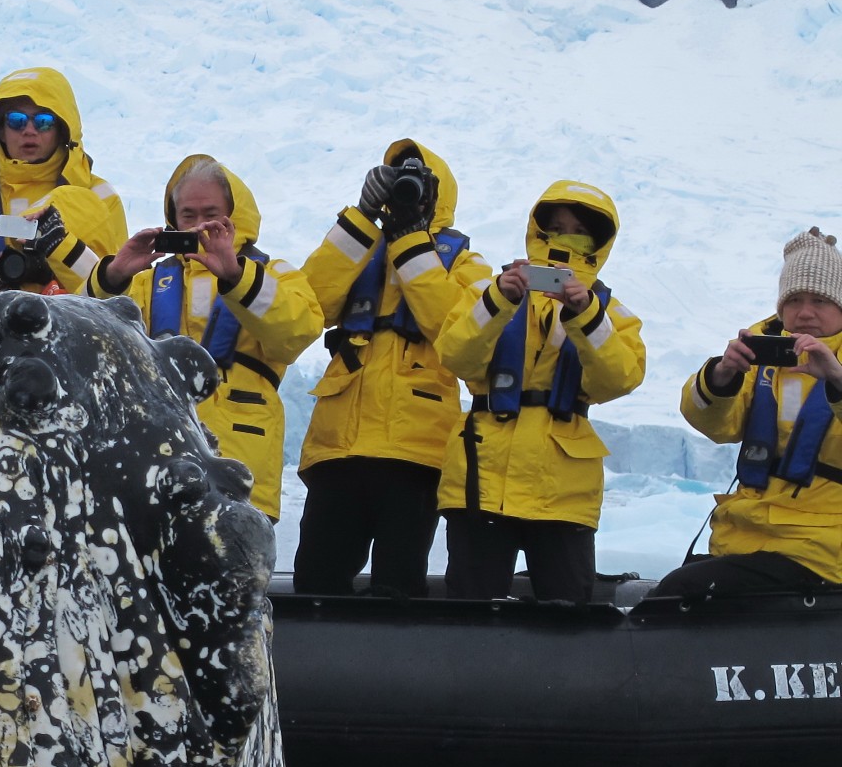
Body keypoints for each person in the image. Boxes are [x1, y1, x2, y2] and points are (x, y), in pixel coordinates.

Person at [292, 140, 491, 597]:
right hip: (338, 446)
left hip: (414, 452)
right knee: (316, 583)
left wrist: (410, 242)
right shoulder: (359, 246)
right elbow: (310, 304)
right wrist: (361, 217)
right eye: (398, 176)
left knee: (398, 586)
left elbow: (456, 329)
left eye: (418, 181)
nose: (406, 187)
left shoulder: (466, 262)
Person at [434, 183, 646, 602]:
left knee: (567, 619)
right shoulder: (486, 292)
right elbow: (455, 356)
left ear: (596, 243)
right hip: (482, 483)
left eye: (577, 232)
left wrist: (584, 316)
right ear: (538, 231)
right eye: (555, 227)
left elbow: (618, 378)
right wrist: (499, 301)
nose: (563, 239)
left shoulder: (611, 314)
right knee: (469, 616)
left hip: (562, 494)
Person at [87, 154, 323, 521]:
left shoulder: (272, 275)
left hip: (241, 461)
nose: (199, 225)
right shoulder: (145, 283)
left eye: (210, 214)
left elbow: (298, 332)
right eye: (188, 216)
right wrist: (114, 275)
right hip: (157, 466)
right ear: (173, 218)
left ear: (234, 215)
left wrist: (235, 276)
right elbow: (86, 341)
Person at [657, 229, 842, 599]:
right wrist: (721, 376)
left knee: (681, 592)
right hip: (747, 535)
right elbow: (713, 424)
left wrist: (836, 378)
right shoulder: (761, 352)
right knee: (677, 591)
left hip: (821, 548)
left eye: (820, 300)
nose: (805, 312)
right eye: (795, 299)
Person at [0, 66, 127, 295]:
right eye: (16, 120)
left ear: (62, 130)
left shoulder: (99, 195)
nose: (29, 130)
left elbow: (118, 286)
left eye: (44, 121)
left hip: (72, 325)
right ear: (0, 131)